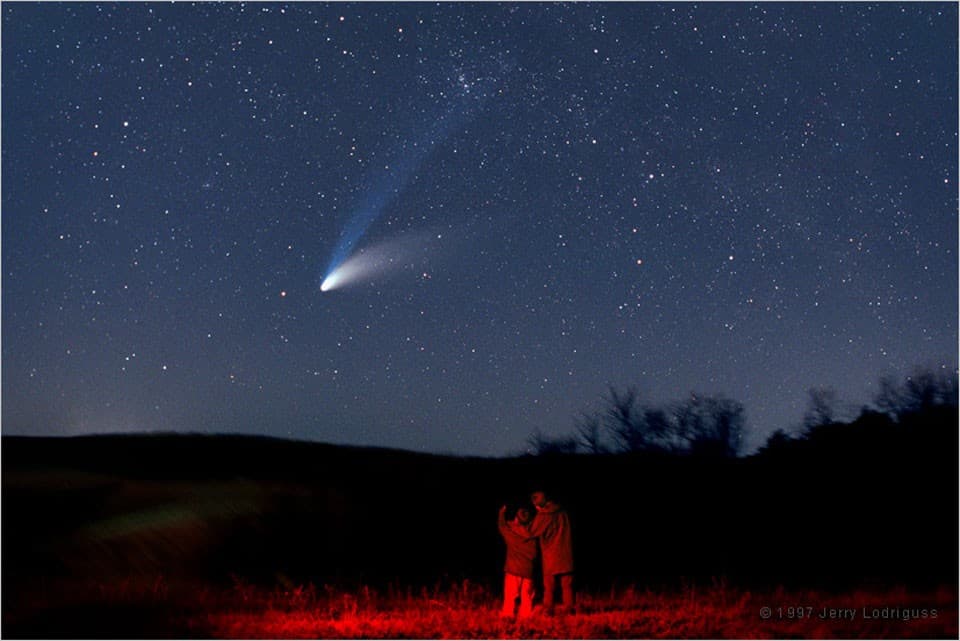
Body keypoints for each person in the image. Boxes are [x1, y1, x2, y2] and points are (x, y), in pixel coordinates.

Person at [527, 490, 574, 614]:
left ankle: (548, 609)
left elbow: (531, 532)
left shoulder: (544, 515)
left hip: (551, 555)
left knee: (549, 585)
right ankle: (569, 608)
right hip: (566, 553)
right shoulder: (563, 512)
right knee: (567, 585)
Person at [497, 504, 537, 619]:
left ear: (516, 519)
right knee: (527, 596)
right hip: (528, 571)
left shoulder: (511, 533)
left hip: (513, 570)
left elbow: (502, 526)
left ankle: (508, 615)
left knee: (510, 595)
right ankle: (526, 616)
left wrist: (501, 513)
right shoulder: (533, 536)